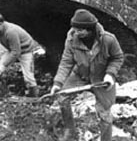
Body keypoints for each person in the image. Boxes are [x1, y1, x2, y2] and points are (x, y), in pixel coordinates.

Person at [50, 9, 124, 141]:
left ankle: (106, 139)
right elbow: (66, 61)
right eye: (75, 29)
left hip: (102, 78)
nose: (76, 33)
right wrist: (58, 83)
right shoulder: (72, 39)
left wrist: (110, 75)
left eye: (80, 30)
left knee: (104, 112)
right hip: (81, 74)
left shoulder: (108, 39)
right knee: (62, 96)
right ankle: (70, 130)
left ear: (89, 29)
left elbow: (117, 58)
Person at [0, 13, 39, 97]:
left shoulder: (10, 32)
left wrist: (4, 65)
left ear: (1, 24)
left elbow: (16, 52)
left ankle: (33, 96)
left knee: (28, 76)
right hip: (13, 49)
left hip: (25, 50)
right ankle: (0, 90)